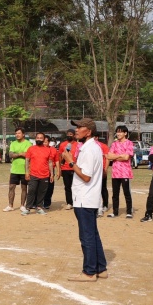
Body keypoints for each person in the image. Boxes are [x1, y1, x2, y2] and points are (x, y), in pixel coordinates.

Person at [61, 118, 107, 281]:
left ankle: (89, 272)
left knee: (87, 236)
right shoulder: (93, 147)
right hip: (89, 197)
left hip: (84, 198)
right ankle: (100, 268)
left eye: (80, 127)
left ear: (89, 131)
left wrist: (70, 162)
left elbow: (86, 176)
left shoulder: (89, 150)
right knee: (92, 234)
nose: (76, 130)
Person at [23, 132, 54, 215]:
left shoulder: (48, 150)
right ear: (35, 139)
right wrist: (27, 172)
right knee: (31, 191)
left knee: (42, 192)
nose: (39, 139)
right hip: (33, 174)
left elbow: (50, 162)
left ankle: (39, 207)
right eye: (38, 137)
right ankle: (28, 208)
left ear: (44, 139)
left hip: (45, 175)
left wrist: (51, 174)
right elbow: (27, 161)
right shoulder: (31, 149)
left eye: (41, 138)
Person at [106, 126, 134, 218]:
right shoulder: (114, 144)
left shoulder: (129, 143)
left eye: (120, 132)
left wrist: (115, 156)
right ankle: (115, 212)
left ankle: (129, 212)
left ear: (125, 133)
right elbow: (109, 156)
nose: (118, 134)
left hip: (125, 172)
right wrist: (120, 156)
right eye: (117, 132)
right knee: (115, 193)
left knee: (127, 193)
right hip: (115, 172)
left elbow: (126, 157)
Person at [3, 128, 30, 213]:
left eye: (19, 133)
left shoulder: (28, 143)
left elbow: (27, 155)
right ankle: (10, 205)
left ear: (23, 134)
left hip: (25, 169)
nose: (17, 135)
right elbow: (11, 155)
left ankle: (22, 206)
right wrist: (21, 154)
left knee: (24, 188)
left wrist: (17, 154)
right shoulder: (13, 143)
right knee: (11, 187)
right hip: (14, 169)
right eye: (16, 133)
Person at [58, 129, 78, 210]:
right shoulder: (63, 144)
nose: (69, 135)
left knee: (76, 186)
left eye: (71, 134)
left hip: (75, 168)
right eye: (68, 134)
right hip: (65, 168)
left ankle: (76, 202)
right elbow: (60, 156)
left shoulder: (78, 145)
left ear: (74, 135)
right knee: (67, 186)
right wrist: (60, 168)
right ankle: (69, 203)